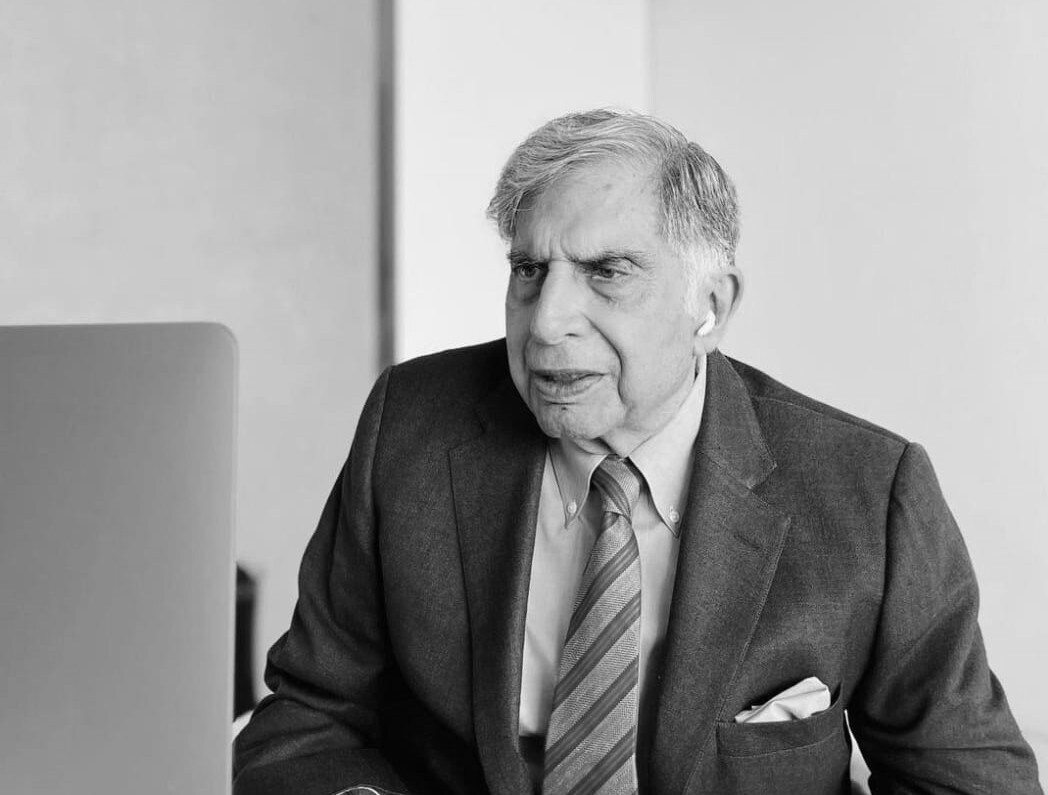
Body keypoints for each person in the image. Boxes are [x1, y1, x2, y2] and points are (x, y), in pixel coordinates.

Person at [232, 109, 1041, 794]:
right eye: (529, 270)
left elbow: (968, 780)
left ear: (710, 306)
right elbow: (309, 717)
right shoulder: (411, 427)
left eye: (607, 272)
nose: (547, 320)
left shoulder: (867, 492)